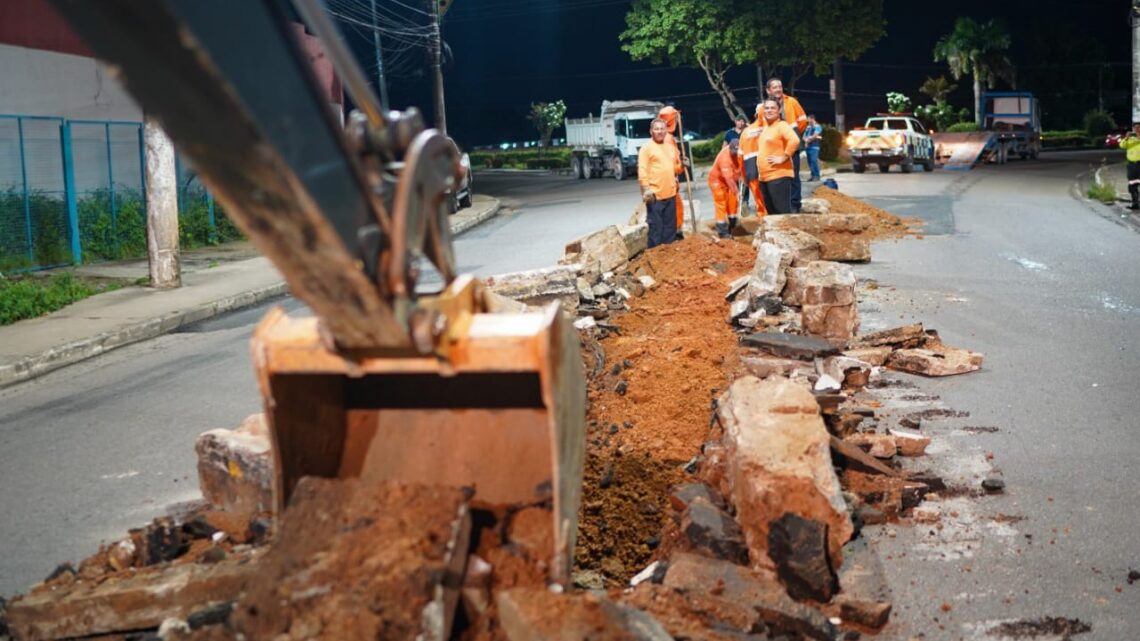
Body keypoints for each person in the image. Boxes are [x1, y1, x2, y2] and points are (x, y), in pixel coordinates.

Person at [639, 118, 682, 247]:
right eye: (656, 129)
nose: (659, 131)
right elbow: (642, 170)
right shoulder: (646, 148)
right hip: (655, 196)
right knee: (656, 229)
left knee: (670, 229)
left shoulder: (670, 148)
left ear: (666, 131)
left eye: (662, 129)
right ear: (651, 131)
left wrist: (682, 166)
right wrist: (646, 188)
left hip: (670, 194)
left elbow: (673, 169)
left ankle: (667, 259)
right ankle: (654, 257)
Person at [765, 78, 807, 211]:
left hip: (792, 145)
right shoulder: (765, 107)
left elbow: (803, 121)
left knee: (793, 176)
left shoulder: (791, 102)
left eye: (780, 86)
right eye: (775, 87)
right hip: (774, 148)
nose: (778, 89)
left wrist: (792, 134)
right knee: (778, 178)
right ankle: (779, 206)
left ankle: (794, 206)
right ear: (768, 90)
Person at [756, 99, 800, 215]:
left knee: (781, 213)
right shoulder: (766, 128)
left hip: (778, 175)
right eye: (767, 108)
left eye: (772, 108)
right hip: (764, 178)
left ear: (779, 110)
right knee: (771, 214)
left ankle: (786, 233)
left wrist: (784, 157)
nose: (769, 110)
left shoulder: (782, 125)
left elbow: (794, 140)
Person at [657, 105, 687, 237]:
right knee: (673, 210)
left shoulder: (664, 137)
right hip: (669, 182)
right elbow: (669, 165)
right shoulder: (667, 139)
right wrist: (682, 166)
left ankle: (674, 234)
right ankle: (674, 236)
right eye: (676, 118)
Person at [738, 103, 768, 217]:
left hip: (751, 170)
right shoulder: (771, 128)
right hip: (769, 169)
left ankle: (763, 220)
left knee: (759, 201)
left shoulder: (746, 132)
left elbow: (740, 157)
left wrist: (743, 175)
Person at [708, 137, 742, 238]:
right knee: (721, 202)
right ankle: (722, 230)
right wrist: (737, 192)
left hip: (730, 180)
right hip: (717, 181)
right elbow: (728, 179)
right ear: (729, 148)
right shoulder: (725, 158)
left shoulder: (741, 153)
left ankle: (732, 223)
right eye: (733, 152)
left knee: (732, 201)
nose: (735, 155)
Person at [724, 114, 749, 207]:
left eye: (742, 121)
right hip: (733, 161)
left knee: (745, 180)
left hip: (744, 159)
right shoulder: (729, 133)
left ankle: (745, 201)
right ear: (735, 121)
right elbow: (725, 146)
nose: (740, 122)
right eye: (739, 121)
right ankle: (736, 200)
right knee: (734, 181)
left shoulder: (747, 132)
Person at [1121, 123, 1140, 210]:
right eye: (1135, 128)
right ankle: (1135, 203)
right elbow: (1122, 145)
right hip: (1132, 164)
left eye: (1138, 128)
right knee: (1132, 185)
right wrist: (1126, 137)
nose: (1136, 129)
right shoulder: (1130, 139)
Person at [803, 114, 823, 182]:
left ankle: (816, 176)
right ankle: (812, 176)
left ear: (812, 119)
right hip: (808, 147)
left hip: (814, 146)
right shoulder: (808, 127)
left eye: (808, 119)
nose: (807, 121)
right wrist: (805, 140)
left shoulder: (818, 126)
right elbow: (804, 135)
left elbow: (815, 135)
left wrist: (808, 140)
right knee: (810, 162)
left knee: (814, 161)